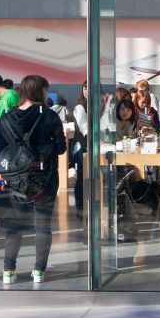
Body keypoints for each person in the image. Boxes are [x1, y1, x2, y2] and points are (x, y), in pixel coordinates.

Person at [0, 75, 66, 285]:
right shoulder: (49, 116)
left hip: (16, 178)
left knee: (15, 225)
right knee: (42, 225)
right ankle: (39, 271)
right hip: (44, 178)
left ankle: (8, 271)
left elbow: (3, 149)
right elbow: (61, 148)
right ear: (41, 91)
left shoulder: (7, 117)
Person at [72, 82, 89, 218]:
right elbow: (84, 128)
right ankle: (80, 206)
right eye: (85, 88)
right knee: (82, 178)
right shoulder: (80, 106)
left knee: (92, 177)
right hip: (81, 147)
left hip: (94, 147)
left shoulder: (99, 107)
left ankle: (90, 205)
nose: (87, 90)